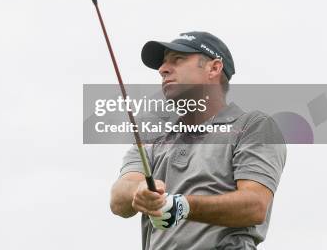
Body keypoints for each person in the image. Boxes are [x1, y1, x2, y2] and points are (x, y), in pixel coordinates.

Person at [109, 31, 286, 249]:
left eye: (178, 60)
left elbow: (255, 205)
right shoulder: (154, 137)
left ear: (213, 68)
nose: (162, 69)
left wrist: (182, 206)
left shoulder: (253, 126)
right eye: (163, 64)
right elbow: (119, 199)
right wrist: (138, 193)